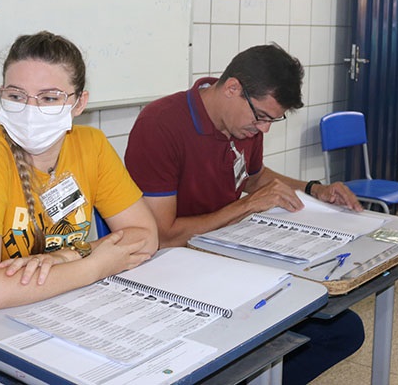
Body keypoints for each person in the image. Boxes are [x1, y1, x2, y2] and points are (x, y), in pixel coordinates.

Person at [124, 43, 365, 385]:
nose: (264, 129)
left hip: (229, 254)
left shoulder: (243, 124)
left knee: (345, 330)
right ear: (233, 88)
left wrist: (313, 189)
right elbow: (162, 236)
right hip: (175, 270)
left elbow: (253, 178)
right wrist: (246, 206)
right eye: (262, 117)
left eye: (272, 119)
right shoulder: (161, 124)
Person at [0, 31, 159, 382]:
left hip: (58, 309)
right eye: (16, 96)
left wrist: (68, 256)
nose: (31, 110)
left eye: (49, 98)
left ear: (79, 103)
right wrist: (95, 265)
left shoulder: (92, 146)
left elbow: (145, 237)